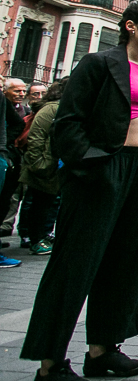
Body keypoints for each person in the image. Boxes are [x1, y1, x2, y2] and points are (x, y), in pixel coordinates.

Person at [21, 0, 138, 381]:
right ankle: (50, 367)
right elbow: (70, 121)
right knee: (76, 261)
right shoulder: (99, 64)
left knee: (126, 260)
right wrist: (92, 165)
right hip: (104, 168)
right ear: (130, 26)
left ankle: (103, 349)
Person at [16, 79, 68, 256]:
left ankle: (42, 236)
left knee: (49, 203)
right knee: (39, 203)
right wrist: (40, 163)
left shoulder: (65, 107)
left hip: (54, 166)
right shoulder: (52, 109)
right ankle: (35, 239)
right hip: (44, 166)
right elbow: (36, 137)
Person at [0, 78, 29, 241]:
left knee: (8, 198)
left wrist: (6, 142)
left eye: (23, 91)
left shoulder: (23, 110)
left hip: (9, 158)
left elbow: (18, 125)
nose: (21, 94)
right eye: (17, 91)